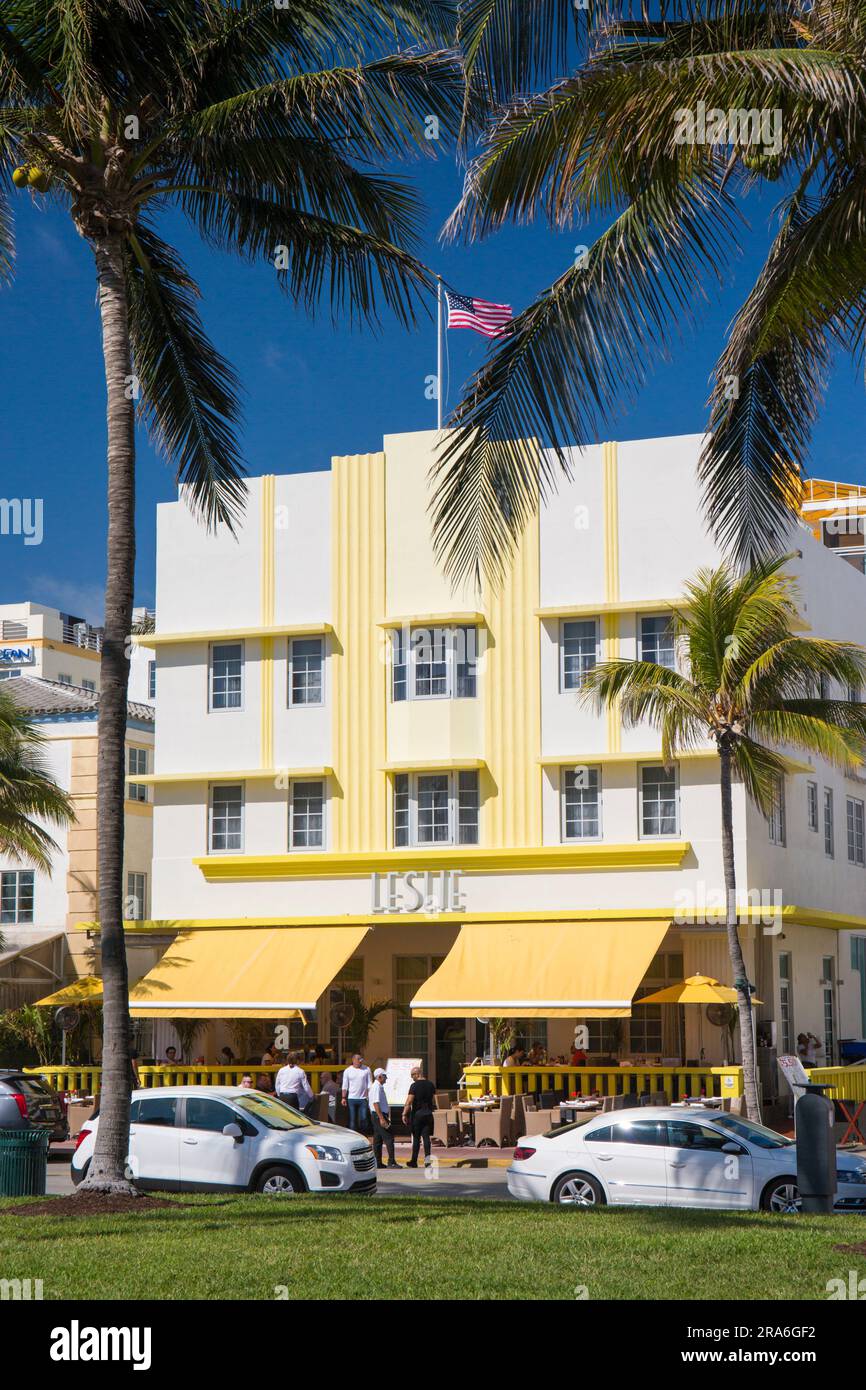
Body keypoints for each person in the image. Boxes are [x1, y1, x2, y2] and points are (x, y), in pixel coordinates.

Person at [402, 1065, 436, 1167]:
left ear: (418, 1073)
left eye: (412, 1075)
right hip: (428, 1114)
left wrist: (404, 1113)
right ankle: (427, 1160)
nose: (412, 1077)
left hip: (417, 1114)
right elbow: (433, 1099)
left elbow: (409, 1101)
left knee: (416, 1138)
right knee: (426, 1138)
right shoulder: (431, 1084)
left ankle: (414, 1161)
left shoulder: (414, 1085)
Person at [369, 1067, 400, 1169]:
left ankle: (378, 1162)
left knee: (378, 1140)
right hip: (379, 1115)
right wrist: (381, 1118)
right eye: (385, 1076)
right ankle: (391, 1162)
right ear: (380, 1077)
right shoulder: (376, 1087)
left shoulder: (378, 1086)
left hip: (378, 1115)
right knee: (389, 1137)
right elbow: (375, 1103)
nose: (386, 1078)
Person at [341, 1053, 372, 1133]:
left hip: (363, 1099)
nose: (360, 1061)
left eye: (361, 1059)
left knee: (364, 1119)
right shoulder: (348, 1070)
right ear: (353, 1060)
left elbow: (369, 1084)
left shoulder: (367, 1069)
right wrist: (343, 1097)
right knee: (352, 1120)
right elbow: (345, 1085)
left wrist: (369, 1096)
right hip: (351, 1098)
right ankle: (353, 1136)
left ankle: (363, 1135)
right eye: (359, 1059)